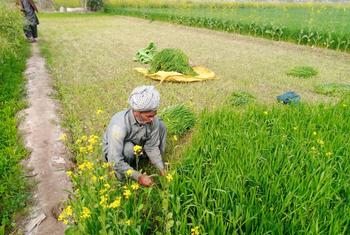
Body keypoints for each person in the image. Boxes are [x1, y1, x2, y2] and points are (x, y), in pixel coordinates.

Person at [103, 85, 167, 187]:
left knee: (161, 125)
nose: (152, 119)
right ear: (137, 112)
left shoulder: (153, 120)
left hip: (138, 147)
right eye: (149, 116)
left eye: (154, 114)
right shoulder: (119, 126)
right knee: (128, 149)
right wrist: (138, 176)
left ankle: (151, 163)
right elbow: (114, 159)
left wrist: (161, 169)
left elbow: (151, 147)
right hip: (117, 153)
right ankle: (123, 179)